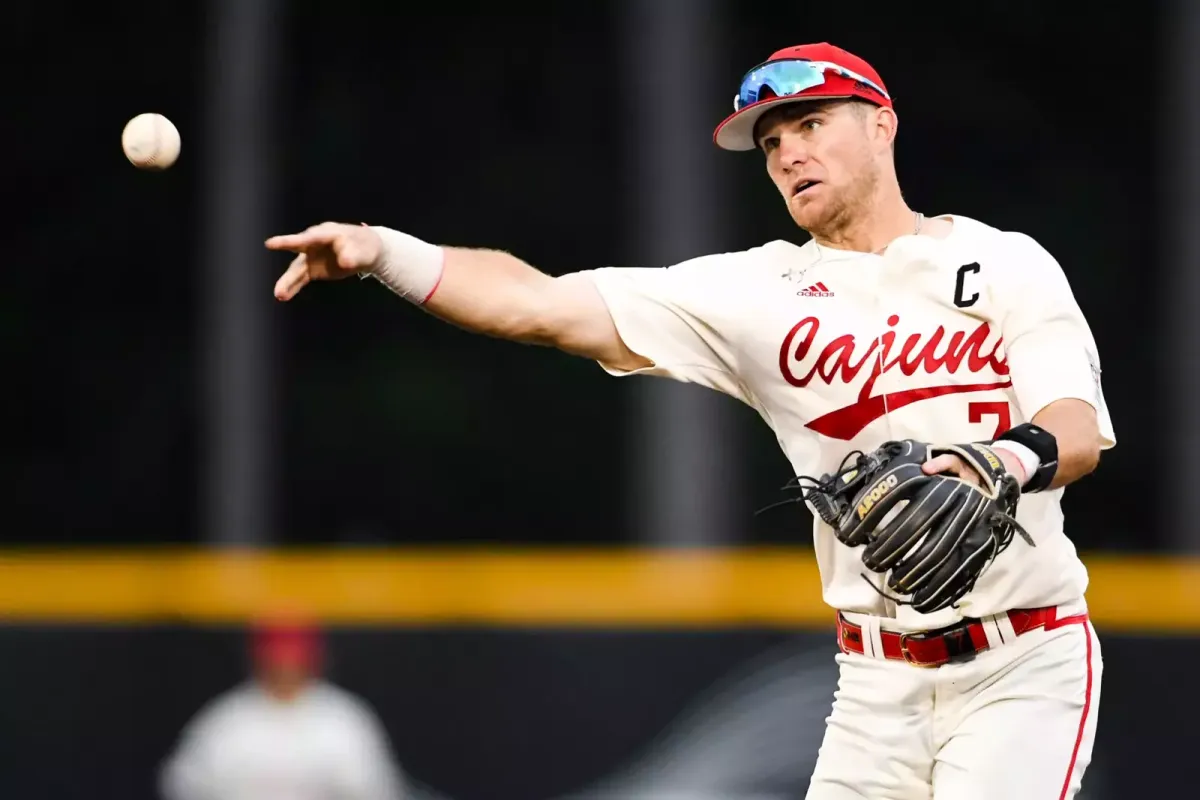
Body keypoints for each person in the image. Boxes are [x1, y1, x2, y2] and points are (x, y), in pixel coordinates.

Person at [265, 42, 1113, 800]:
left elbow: (1074, 425)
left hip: (1022, 664)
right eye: (773, 144)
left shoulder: (1002, 262)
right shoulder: (755, 293)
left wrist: (998, 462)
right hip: (876, 681)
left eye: (810, 124)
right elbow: (541, 304)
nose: (788, 154)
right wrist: (385, 254)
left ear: (882, 125)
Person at [159, 617, 408, 800]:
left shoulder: (343, 718)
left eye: (294, 658)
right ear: (260, 659)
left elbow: (377, 790)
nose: (286, 667)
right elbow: (182, 785)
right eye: (278, 658)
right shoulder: (227, 719)